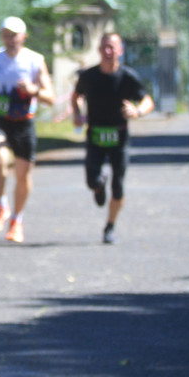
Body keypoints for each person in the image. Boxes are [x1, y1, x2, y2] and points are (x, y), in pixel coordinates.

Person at [0, 16, 55, 243]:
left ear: (24, 37)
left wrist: (33, 90)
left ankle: (17, 220)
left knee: (23, 174)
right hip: (0, 119)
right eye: (6, 35)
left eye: (15, 35)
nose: (11, 39)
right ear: (2, 36)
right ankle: (1, 205)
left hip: (24, 122)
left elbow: (50, 97)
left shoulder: (35, 60)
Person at [70, 33, 155, 245]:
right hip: (96, 134)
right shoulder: (89, 76)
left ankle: (110, 226)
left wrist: (137, 111)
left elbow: (147, 100)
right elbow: (76, 96)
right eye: (105, 47)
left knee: (118, 186)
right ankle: (99, 185)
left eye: (113, 48)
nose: (108, 52)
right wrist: (77, 114)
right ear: (99, 50)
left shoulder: (128, 77)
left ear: (120, 51)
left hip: (119, 136)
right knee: (92, 181)